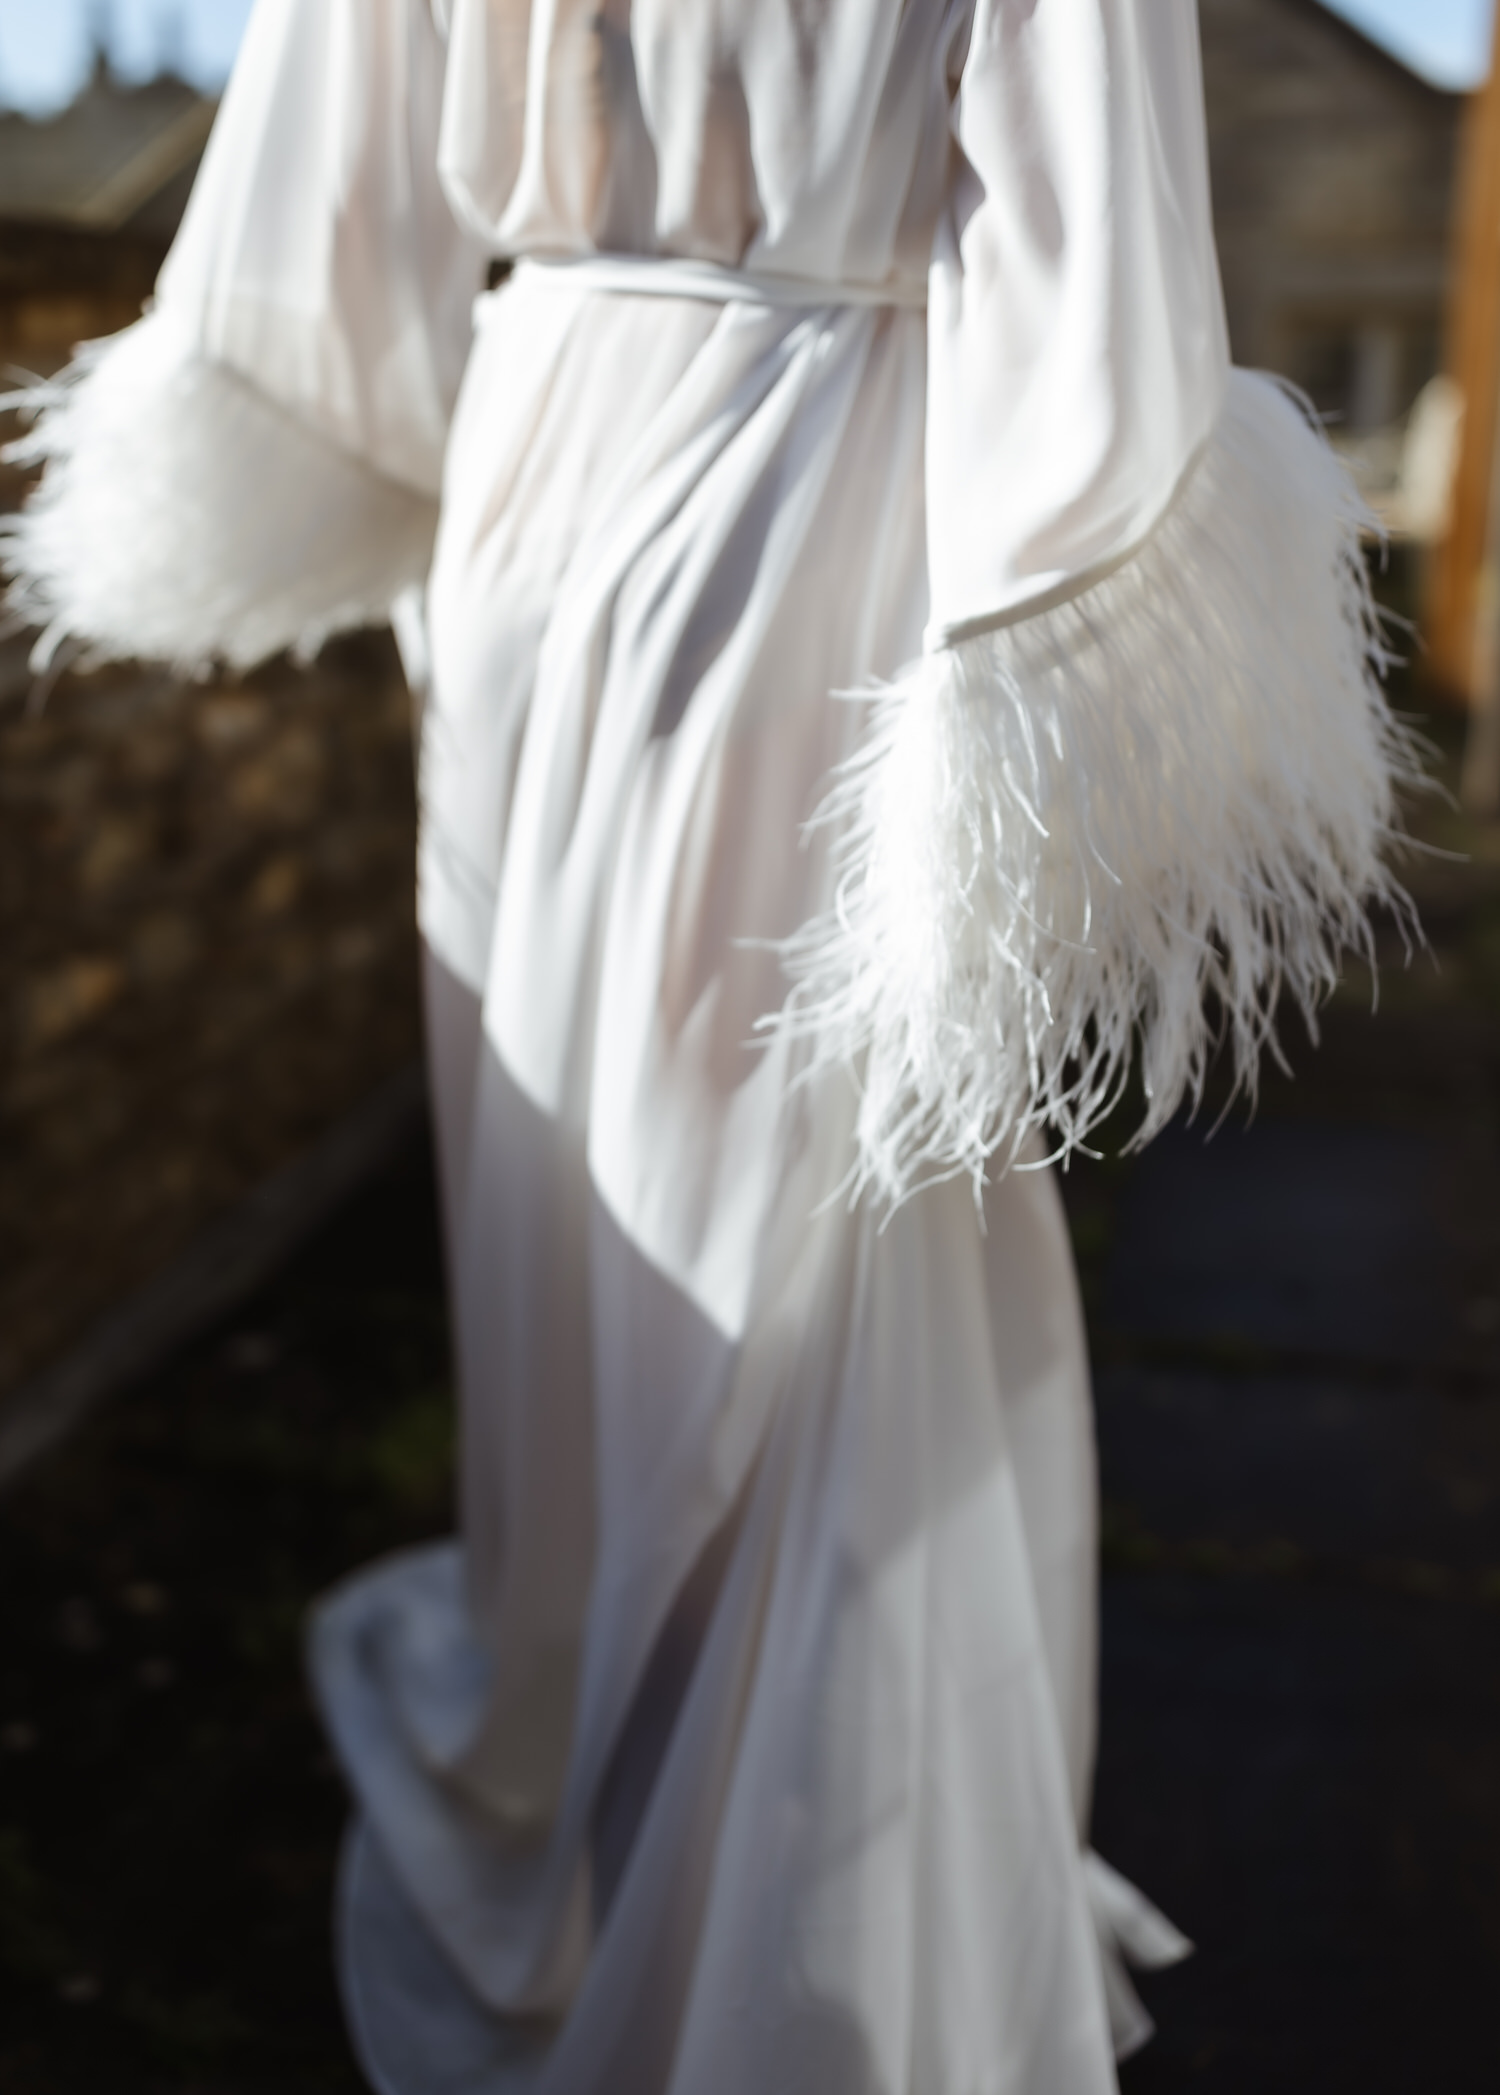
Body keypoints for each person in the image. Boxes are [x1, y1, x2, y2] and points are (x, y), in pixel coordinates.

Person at [3, 3, 1416, 2089]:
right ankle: (803, 1958)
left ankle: (613, 1784)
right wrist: (1053, 629)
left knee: (588, 1194)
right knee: (808, 1244)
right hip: (823, 497)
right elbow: (1088, 266)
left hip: (536, 480)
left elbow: (325, 187)